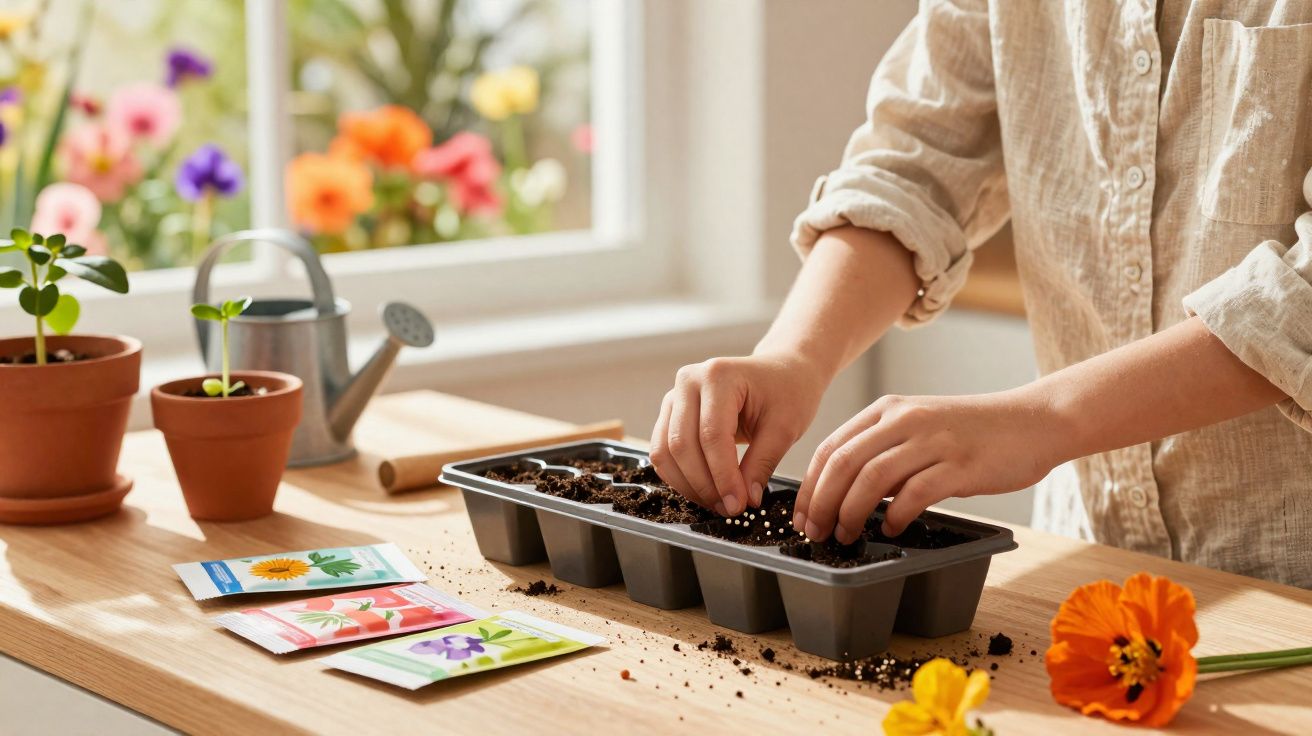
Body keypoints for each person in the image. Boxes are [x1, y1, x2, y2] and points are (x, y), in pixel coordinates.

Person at [648, 2, 1312, 587]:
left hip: (1290, 578)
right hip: (1086, 568)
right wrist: (793, 357)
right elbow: (916, 165)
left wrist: (1042, 419)